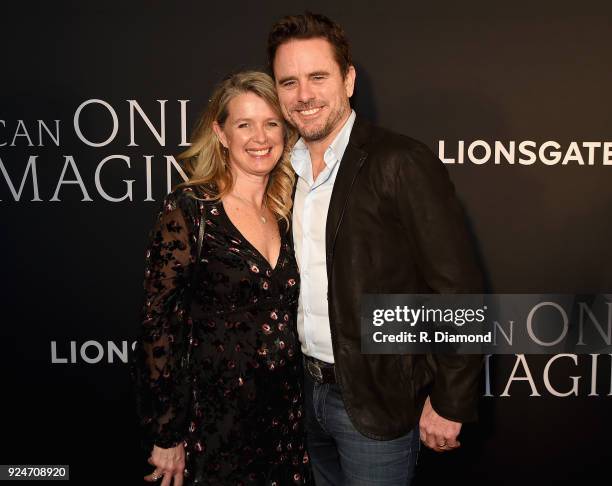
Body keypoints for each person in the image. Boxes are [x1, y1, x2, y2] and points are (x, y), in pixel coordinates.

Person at [267, 13, 483, 485]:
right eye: (289, 81)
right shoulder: (282, 168)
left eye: (318, 76)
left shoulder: (400, 162)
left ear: (348, 80)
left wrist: (451, 401)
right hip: (301, 394)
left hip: (374, 400)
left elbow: (459, 290)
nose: (303, 95)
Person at [131, 71, 311, 485]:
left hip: (284, 421)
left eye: (271, 123)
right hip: (212, 424)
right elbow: (158, 323)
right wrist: (167, 432)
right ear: (221, 133)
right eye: (244, 124)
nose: (259, 137)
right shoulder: (190, 208)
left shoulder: (287, 209)